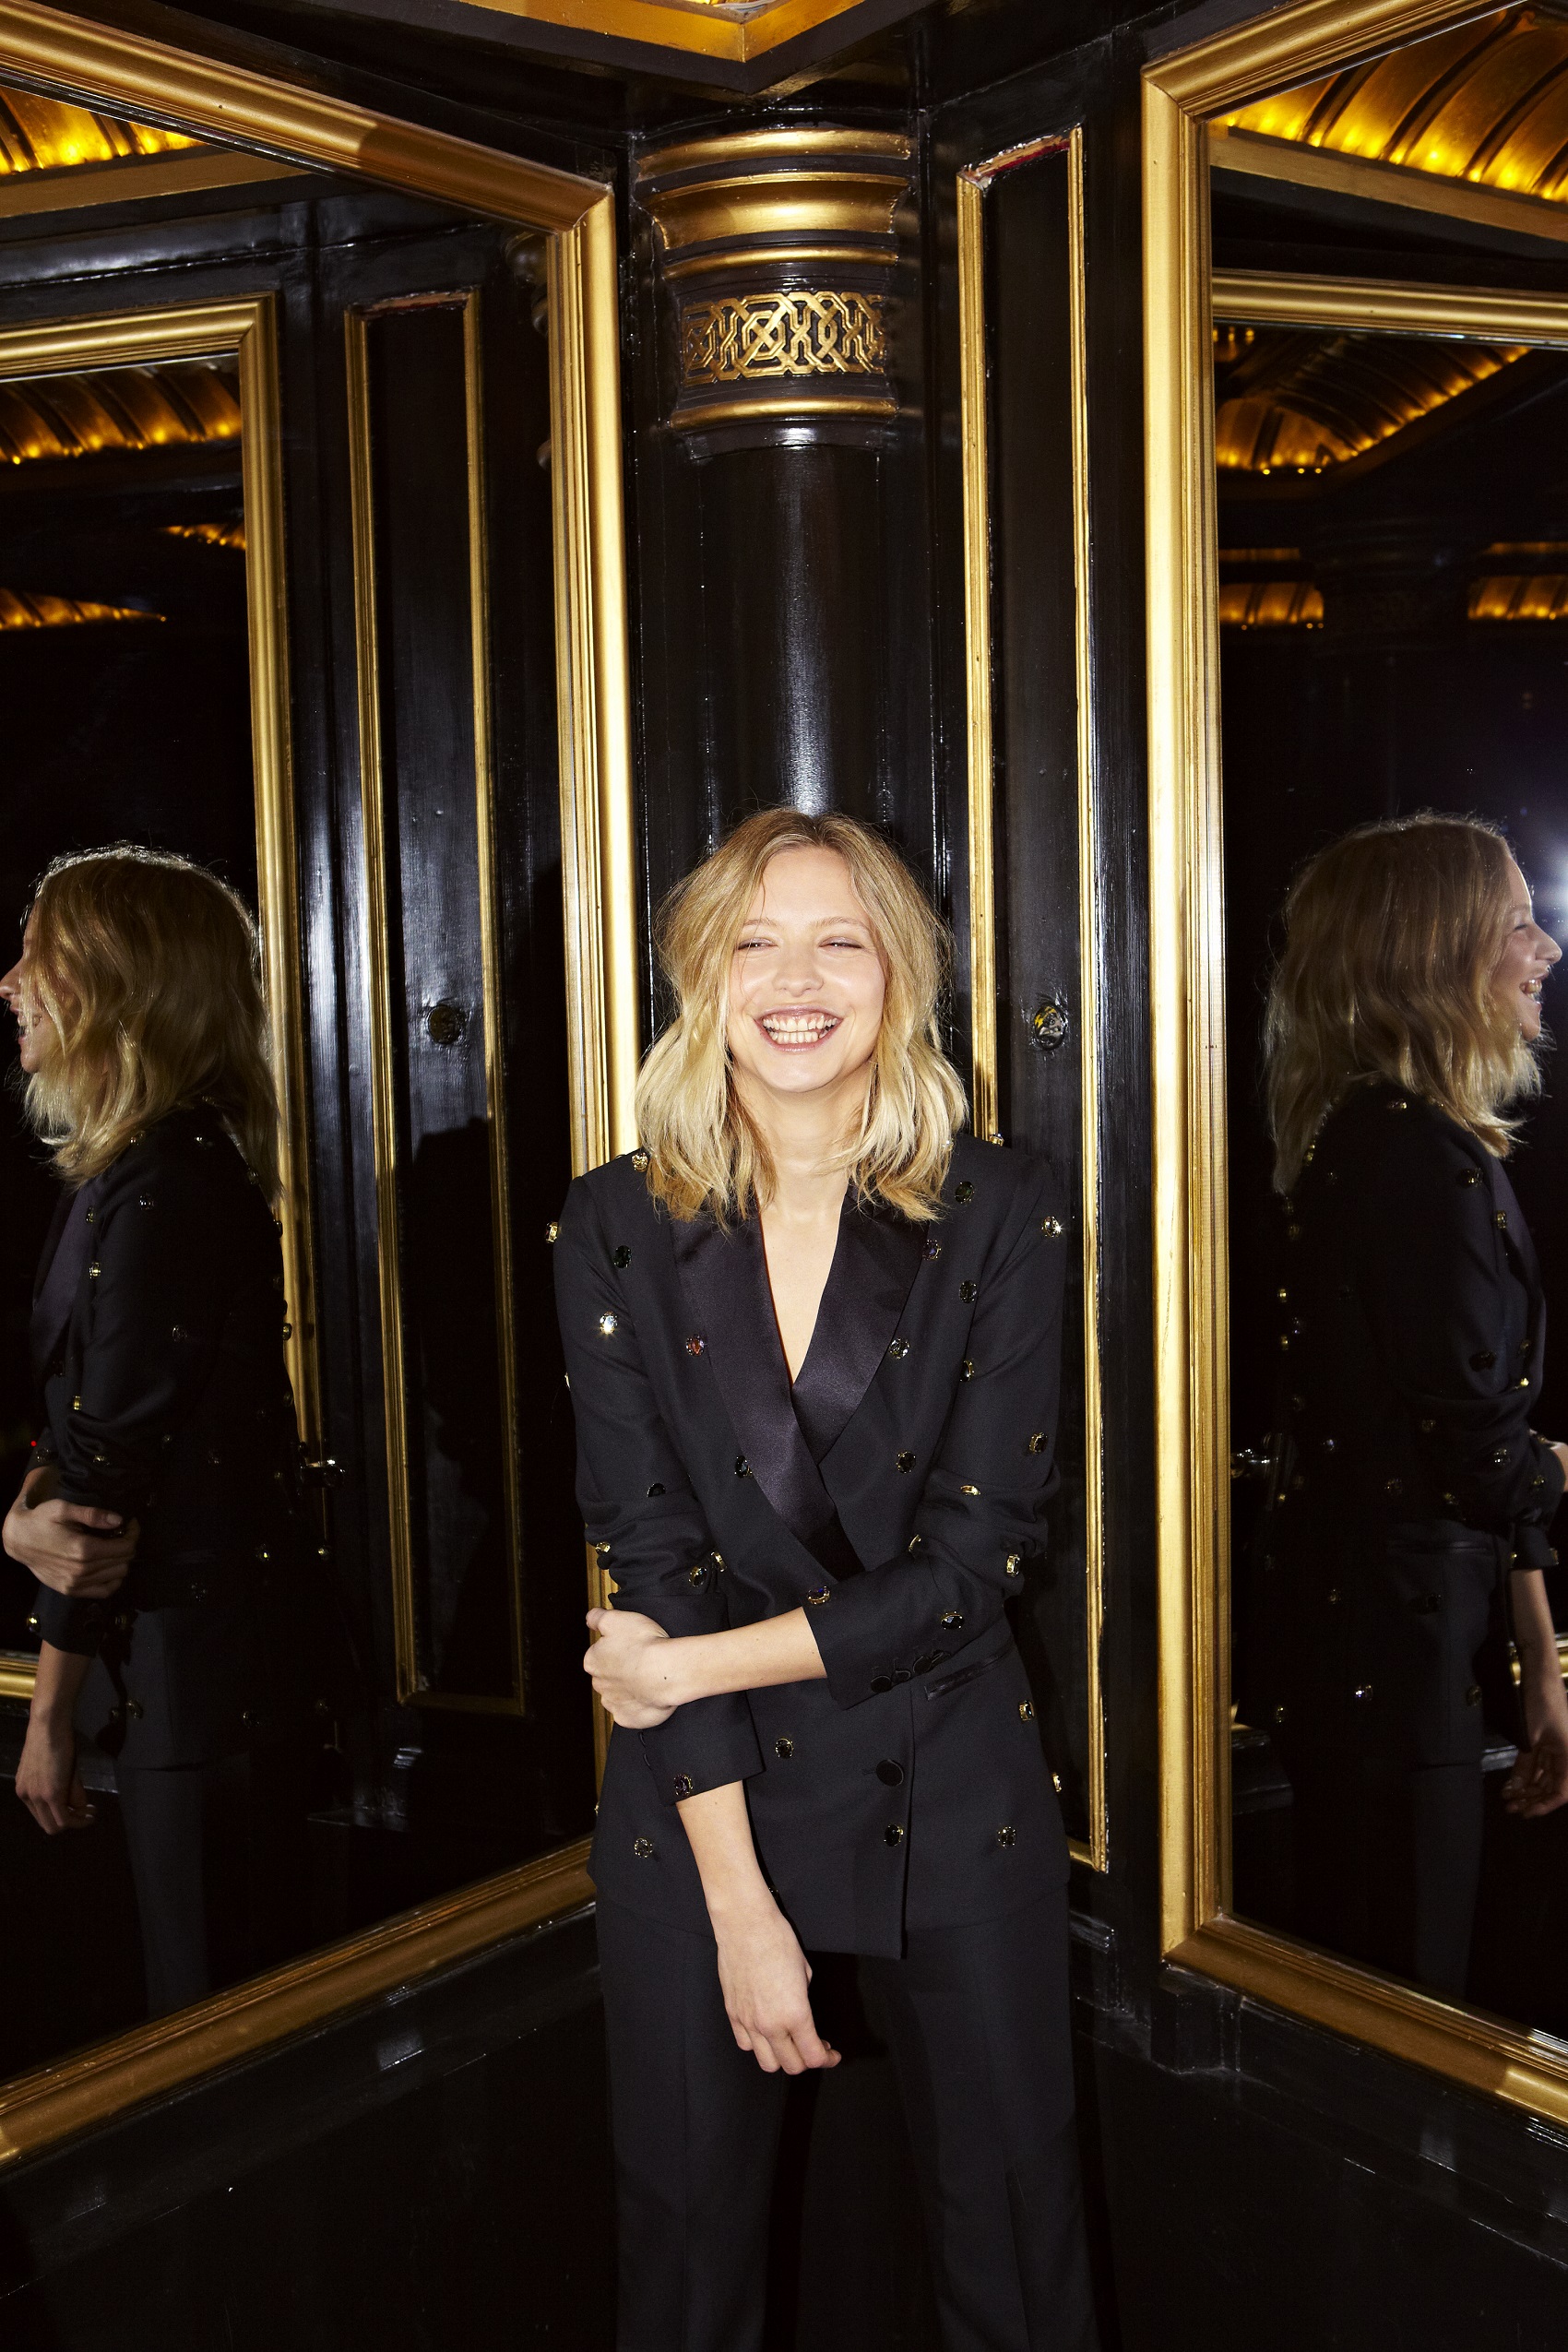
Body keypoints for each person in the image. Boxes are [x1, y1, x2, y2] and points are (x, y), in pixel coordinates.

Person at [553, 807, 1099, 2352]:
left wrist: (687, 1666)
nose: (796, 981)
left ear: (899, 977)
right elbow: (652, 1559)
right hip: (700, 1801)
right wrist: (739, 1909)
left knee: (1016, 2257)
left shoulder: (1001, 1206)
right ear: (700, 977)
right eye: (755, 942)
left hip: (953, 1779)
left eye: (839, 941)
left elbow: (975, 1564)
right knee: (684, 2271)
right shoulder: (614, 1220)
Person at [1245, 813, 1568, 2000]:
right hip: (1390, 1677)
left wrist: (1538, 1668)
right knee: (1402, 2015)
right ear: (1433, 953)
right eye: (1515, 924)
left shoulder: (1387, 1143)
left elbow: (1474, 1448)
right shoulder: (1411, 1158)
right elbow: (1486, 1459)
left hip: (1393, 1662)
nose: (1543, 950)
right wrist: (1557, 1471)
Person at [1, 845, 327, 2016]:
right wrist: (19, 1519)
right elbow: (73, 1447)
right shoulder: (134, 1172)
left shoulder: (168, 1183)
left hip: (194, 1690)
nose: (8, 984)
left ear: (117, 983)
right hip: (173, 1680)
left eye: (35, 955)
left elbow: (98, 1492)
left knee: (209, 2037)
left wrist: (46, 1719)